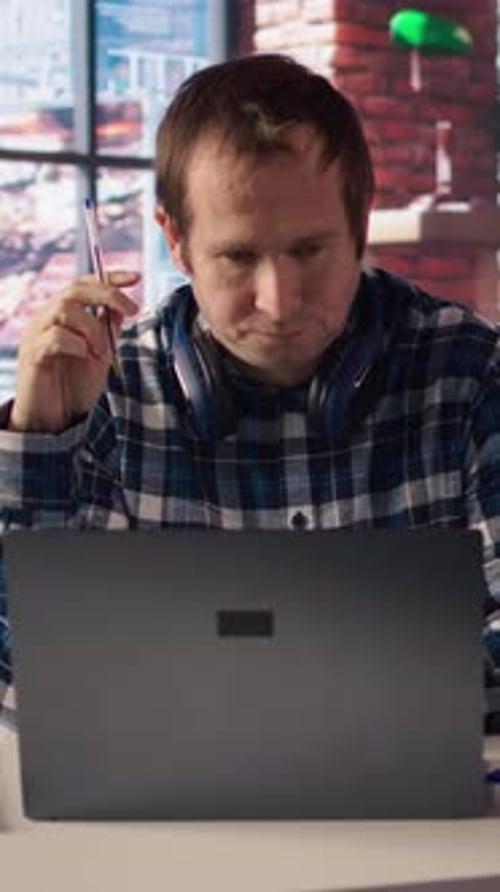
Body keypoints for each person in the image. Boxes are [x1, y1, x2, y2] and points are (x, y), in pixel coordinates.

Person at [0, 52, 499, 695]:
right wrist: (41, 439)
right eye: (238, 256)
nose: (280, 302)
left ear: (360, 223)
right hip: (167, 791)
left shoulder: (472, 374)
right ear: (175, 240)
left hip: (412, 792)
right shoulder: (109, 390)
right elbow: (27, 671)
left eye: (309, 251)